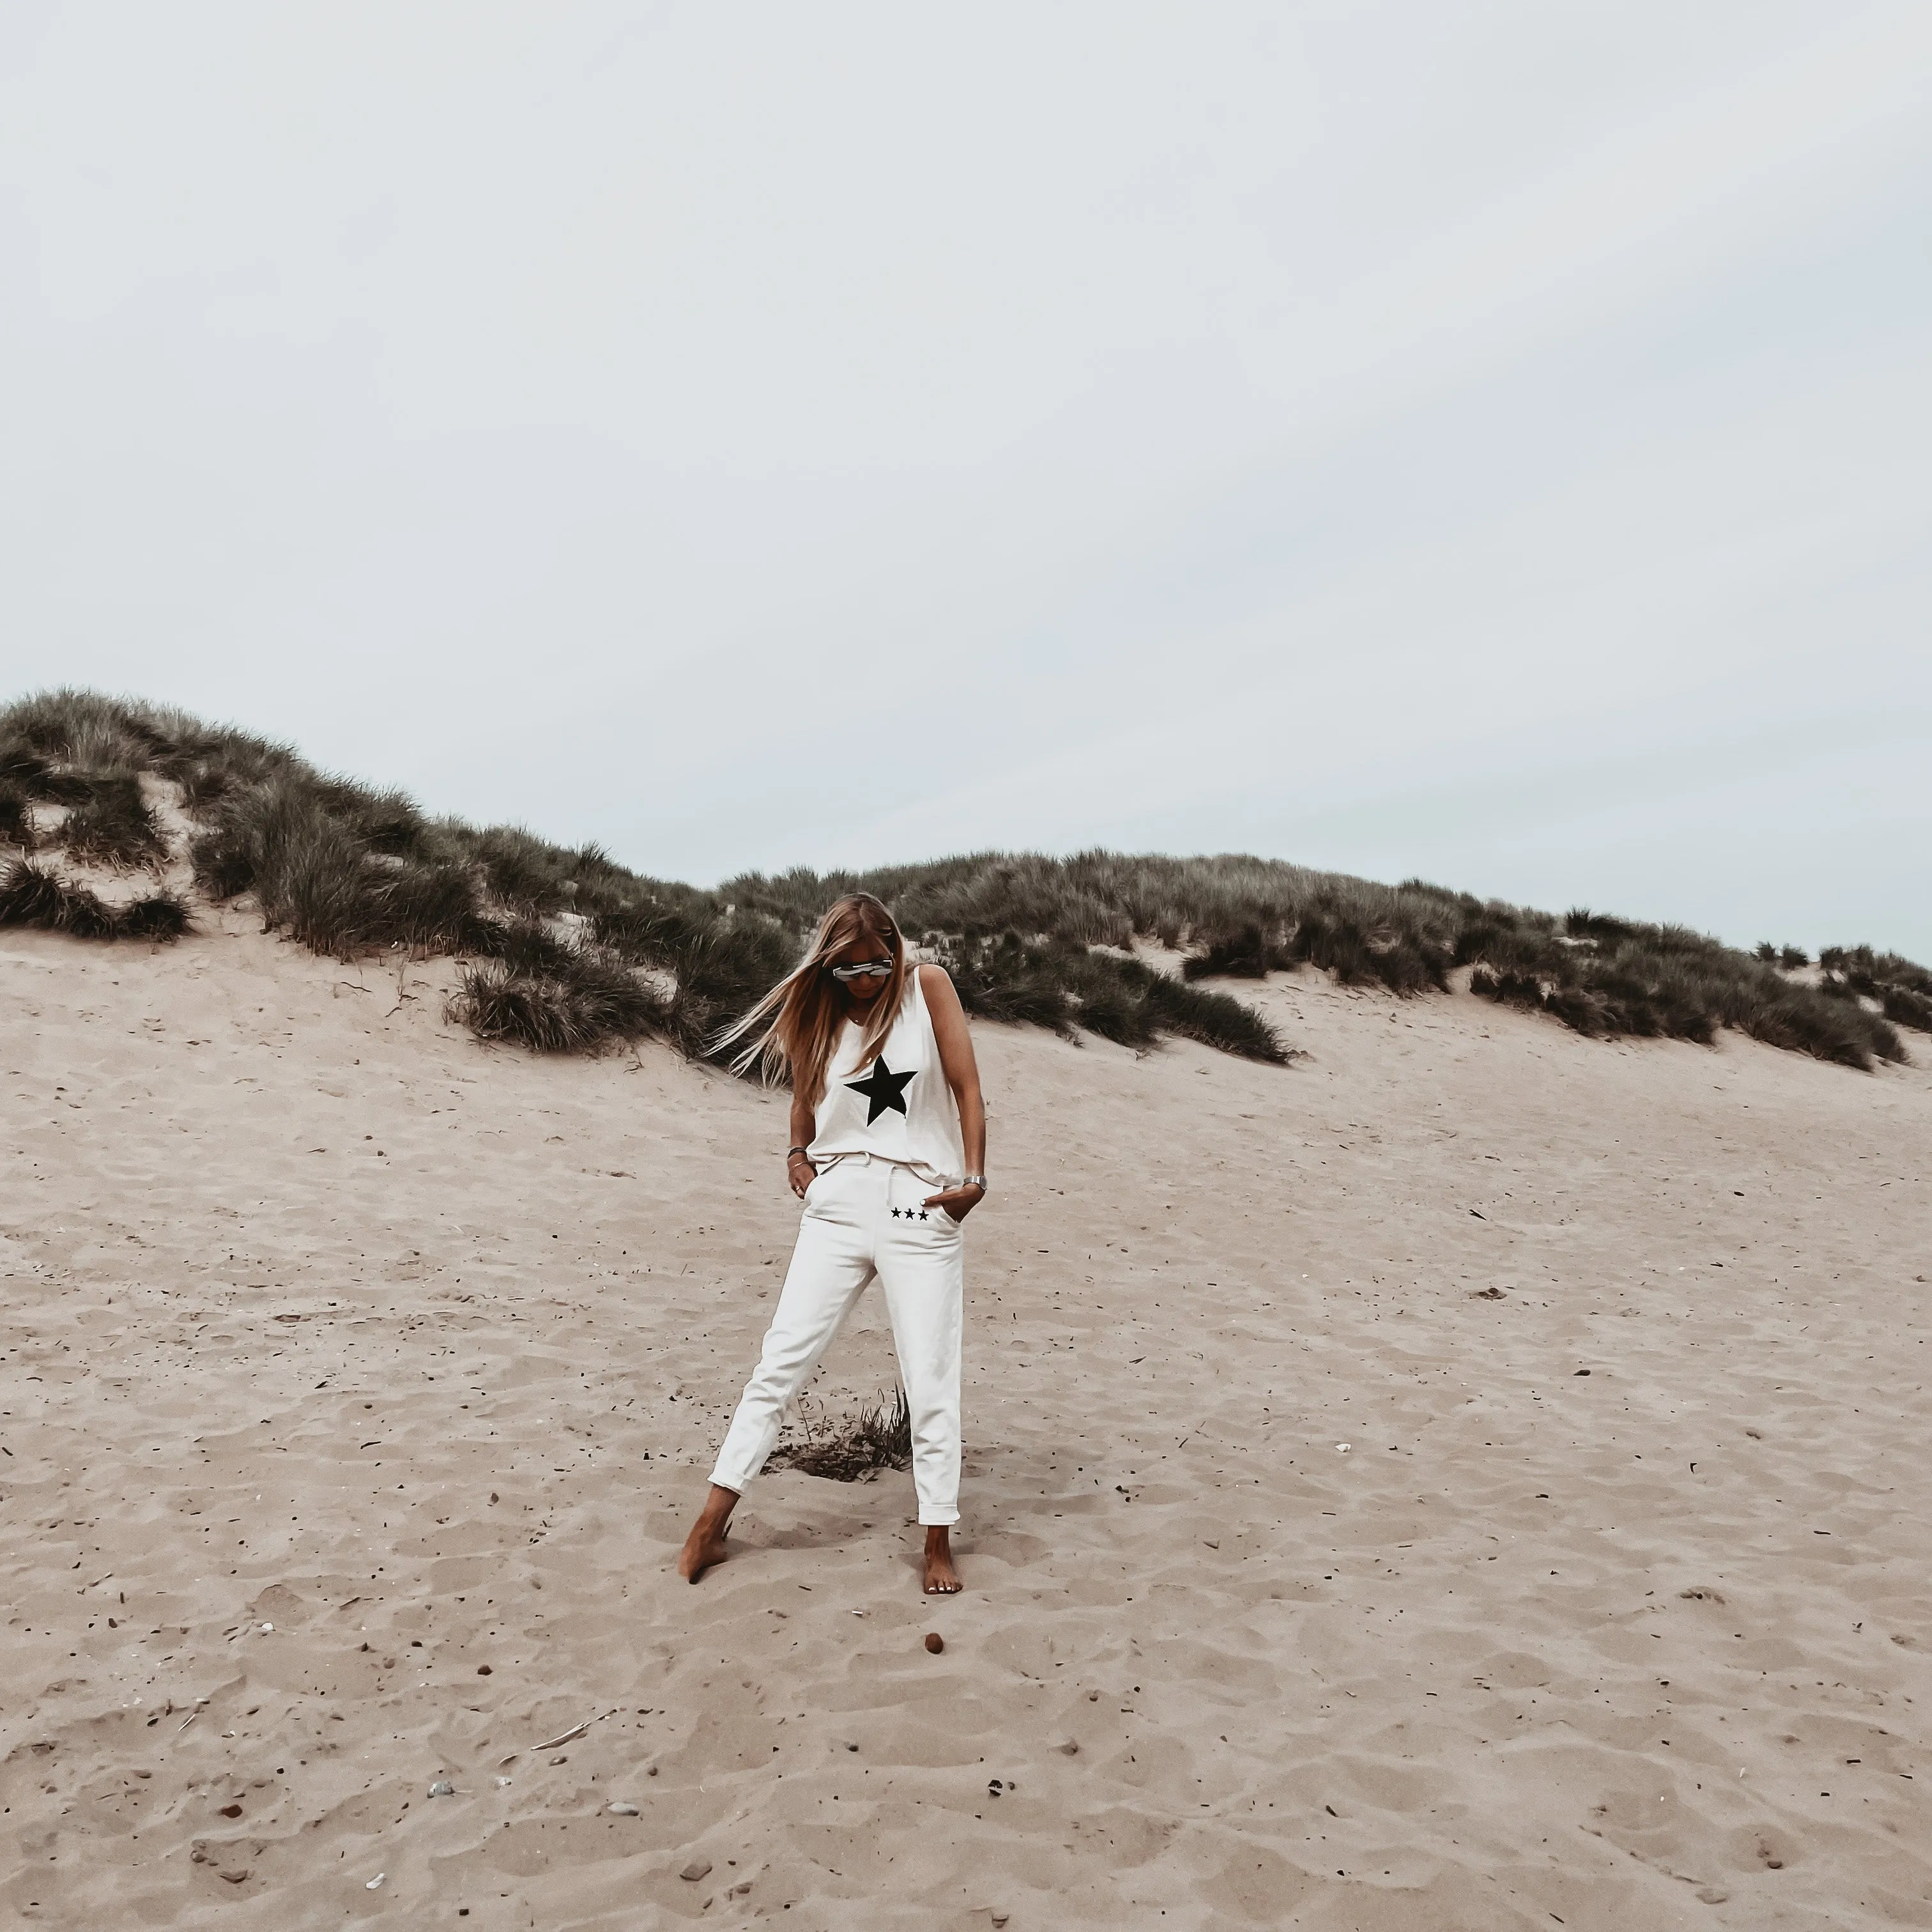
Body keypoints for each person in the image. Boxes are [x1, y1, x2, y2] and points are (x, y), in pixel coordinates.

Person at [677, 893, 988, 1595]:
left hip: (922, 1200)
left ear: (894, 945)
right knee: (779, 1364)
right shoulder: (818, 1006)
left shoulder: (925, 985)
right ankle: (711, 1522)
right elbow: (803, 1096)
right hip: (838, 1202)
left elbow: (968, 1088)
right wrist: (796, 1155)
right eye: (848, 972)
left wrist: (973, 1180)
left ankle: (938, 1537)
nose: (865, 982)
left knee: (931, 1378)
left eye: (876, 965)